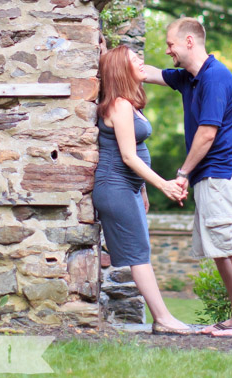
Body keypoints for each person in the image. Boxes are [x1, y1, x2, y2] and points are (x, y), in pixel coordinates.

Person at [144, 17, 232, 338]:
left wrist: (183, 172)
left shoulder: (214, 78)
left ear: (188, 42)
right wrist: (109, 56)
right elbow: (148, 73)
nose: (166, 50)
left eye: (170, 44)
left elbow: (207, 134)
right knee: (219, 246)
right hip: (209, 176)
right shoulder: (190, 79)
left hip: (223, 172)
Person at [93, 44, 193, 335]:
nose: (140, 61)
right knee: (139, 254)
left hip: (127, 187)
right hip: (114, 186)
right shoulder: (119, 105)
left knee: (140, 251)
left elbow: (135, 148)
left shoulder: (127, 102)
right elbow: (127, 156)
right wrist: (162, 185)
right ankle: (162, 319)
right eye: (133, 59)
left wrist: (142, 190)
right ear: (120, 69)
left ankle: (163, 317)